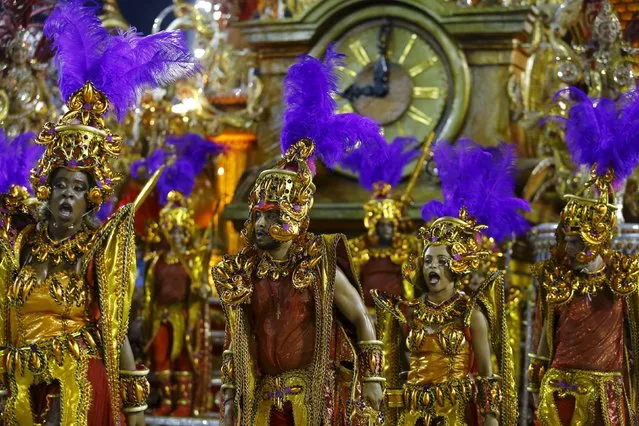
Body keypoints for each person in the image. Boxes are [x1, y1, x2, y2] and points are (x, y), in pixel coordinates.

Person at [0, 1, 198, 424]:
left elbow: (114, 328)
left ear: (92, 197)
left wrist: (135, 406)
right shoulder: (21, 242)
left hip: (75, 383)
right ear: (47, 189)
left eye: (78, 189)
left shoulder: (95, 246)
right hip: (18, 383)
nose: (68, 197)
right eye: (61, 187)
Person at [212, 46, 386, 425]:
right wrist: (229, 393)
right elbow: (236, 335)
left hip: (311, 401)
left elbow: (359, 315)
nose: (258, 225)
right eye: (257, 216)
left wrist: (372, 378)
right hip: (260, 400)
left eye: (270, 216)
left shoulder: (319, 262)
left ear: (295, 216)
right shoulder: (247, 270)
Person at [375, 139, 526, 425]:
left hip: (456, 413)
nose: (434, 267)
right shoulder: (410, 311)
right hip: (413, 414)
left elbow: (485, 372)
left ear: (457, 267)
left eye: (442, 261)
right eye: (429, 260)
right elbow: (393, 366)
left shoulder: (471, 314)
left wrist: (491, 418)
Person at [529, 88, 639, 425]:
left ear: (601, 240)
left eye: (579, 242)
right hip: (561, 392)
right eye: (569, 241)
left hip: (609, 396)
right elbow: (543, 340)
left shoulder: (623, 280)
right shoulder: (556, 279)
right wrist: (536, 387)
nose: (571, 249)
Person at [344, 136, 421, 309]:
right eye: (383, 225)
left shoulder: (407, 247)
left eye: (390, 225)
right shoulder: (358, 249)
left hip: (399, 314)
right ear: (373, 226)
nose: (387, 230)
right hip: (367, 315)